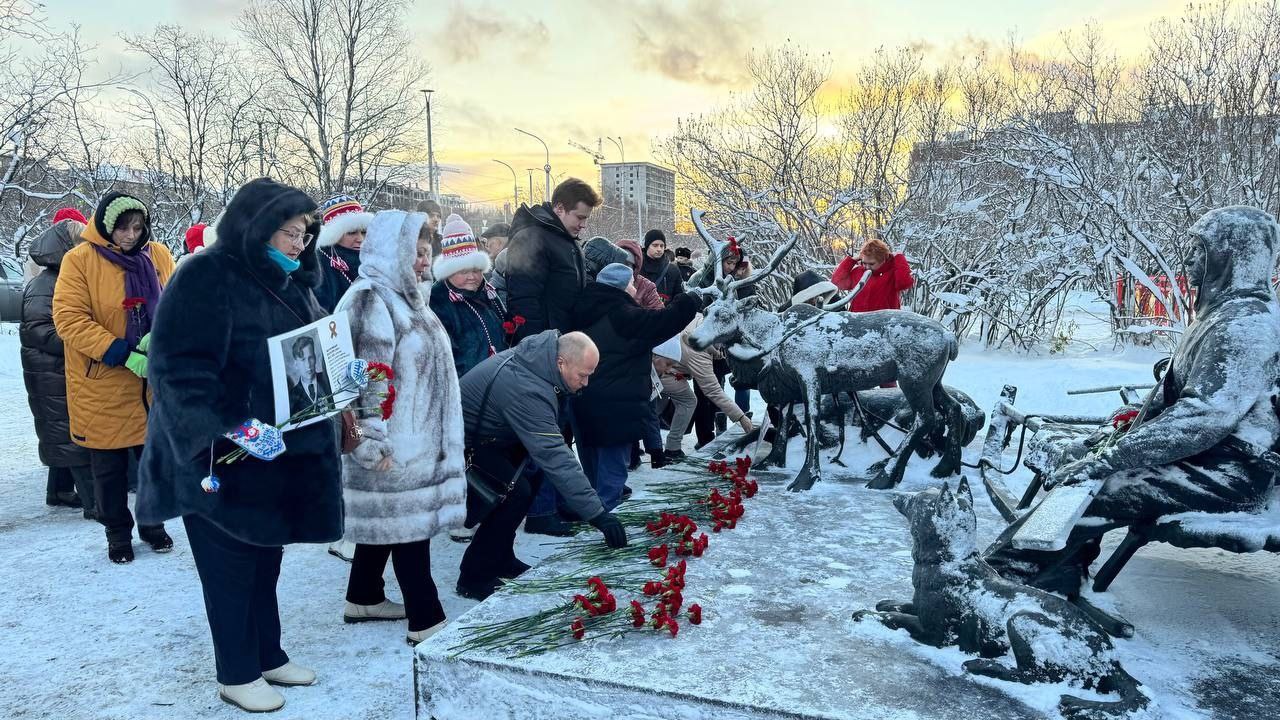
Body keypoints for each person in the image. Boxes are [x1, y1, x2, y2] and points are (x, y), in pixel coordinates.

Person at [986, 206, 1280, 598]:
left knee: (1105, 483)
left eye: (1201, 249)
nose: (1189, 259)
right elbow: (1170, 402)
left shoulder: (1247, 327)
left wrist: (1112, 459)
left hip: (1231, 471)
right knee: (1080, 460)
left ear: (1230, 255)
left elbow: (1204, 416)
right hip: (1207, 457)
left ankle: (995, 587)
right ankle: (1050, 573)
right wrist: (1113, 441)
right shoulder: (1222, 316)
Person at [135, 178, 343, 713]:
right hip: (214, 455)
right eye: (290, 232)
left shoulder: (293, 283)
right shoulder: (207, 275)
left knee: (264, 556)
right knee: (229, 564)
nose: (301, 243)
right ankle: (236, 670)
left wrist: (338, 381)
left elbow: (301, 359)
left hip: (273, 456)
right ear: (257, 228)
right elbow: (177, 370)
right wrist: (239, 427)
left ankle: (267, 653)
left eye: (305, 233)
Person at [337, 209, 466, 646]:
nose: (424, 262)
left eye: (427, 253)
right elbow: (367, 374)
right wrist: (370, 440)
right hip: (393, 442)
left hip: (417, 440)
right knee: (410, 529)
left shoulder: (410, 300)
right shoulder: (371, 297)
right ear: (391, 252)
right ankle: (426, 619)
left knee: (390, 521)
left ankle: (364, 595)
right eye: (415, 253)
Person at [457, 330, 627, 600]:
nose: (586, 383)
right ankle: (474, 575)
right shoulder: (527, 387)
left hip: (494, 435)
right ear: (561, 363)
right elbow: (555, 455)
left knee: (531, 479)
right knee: (514, 494)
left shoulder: (540, 365)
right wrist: (598, 515)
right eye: (583, 375)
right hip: (463, 441)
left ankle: (501, 557)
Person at [53, 192, 175, 564]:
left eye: (138, 228)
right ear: (106, 225)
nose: (130, 235)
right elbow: (69, 319)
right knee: (108, 469)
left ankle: (152, 523)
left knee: (153, 461)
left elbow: (174, 302)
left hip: (150, 383)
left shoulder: (157, 256)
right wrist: (121, 352)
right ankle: (117, 533)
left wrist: (163, 334)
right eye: (123, 227)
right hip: (101, 381)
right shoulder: (80, 261)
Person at [570, 263, 700, 510]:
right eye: (631, 283)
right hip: (616, 402)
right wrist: (689, 300)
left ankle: (592, 509)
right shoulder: (621, 314)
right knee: (612, 472)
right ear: (621, 286)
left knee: (594, 463)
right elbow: (663, 321)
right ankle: (605, 519)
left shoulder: (583, 307)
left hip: (585, 396)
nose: (633, 287)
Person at [21, 213, 95, 517]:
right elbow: (39, 329)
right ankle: (96, 503)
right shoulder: (49, 282)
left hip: (56, 370)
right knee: (74, 435)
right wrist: (85, 341)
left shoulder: (58, 278)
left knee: (61, 432)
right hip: (53, 371)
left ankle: (59, 491)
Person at [505, 178, 601, 343]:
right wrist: (538, 347)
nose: (583, 225)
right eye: (579, 217)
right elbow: (523, 300)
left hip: (564, 341)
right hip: (545, 346)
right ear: (559, 208)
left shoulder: (566, 239)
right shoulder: (531, 239)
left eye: (586, 219)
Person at [652, 316, 753, 459]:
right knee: (687, 401)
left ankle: (653, 446)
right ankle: (671, 448)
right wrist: (741, 417)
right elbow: (714, 391)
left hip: (659, 363)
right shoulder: (699, 354)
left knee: (653, 409)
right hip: (663, 372)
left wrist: (716, 353)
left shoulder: (698, 318)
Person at [429, 214, 510, 379]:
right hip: (467, 387)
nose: (472, 277)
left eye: (476, 270)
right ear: (449, 271)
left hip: (500, 379)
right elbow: (443, 357)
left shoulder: (487, 292)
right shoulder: (438, 302)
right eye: (463, 271)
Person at [313, 194, 374, 312]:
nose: (360, 239)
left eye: (364, 232)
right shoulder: (320, 265)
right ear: (335, 235)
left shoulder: (376, 259)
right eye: (351, 232)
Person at [831, 238, 914, 312]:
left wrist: (899, 257)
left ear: (883, 260)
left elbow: (904, 283)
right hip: (858, 322)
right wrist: (851, 260)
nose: (867, 267)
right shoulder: (859, 272)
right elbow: (837, 282)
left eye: (871, 264)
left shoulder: (891, 273)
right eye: (864, 263)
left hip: (885, 323)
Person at [284, 334, 332, 417]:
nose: (308, 365)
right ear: (296, 364)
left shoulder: (328, 380)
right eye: (303, 360)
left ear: (315, 358)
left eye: (311, 358)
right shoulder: (291, 396)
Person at [640, 229, 684, 304]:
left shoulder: (672, 269)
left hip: (665, 313)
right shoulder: (637, 266)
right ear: (647, 246)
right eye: (655, 245)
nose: (659, 249)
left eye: (662, 246)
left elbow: (679, 298)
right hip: (641, 313)